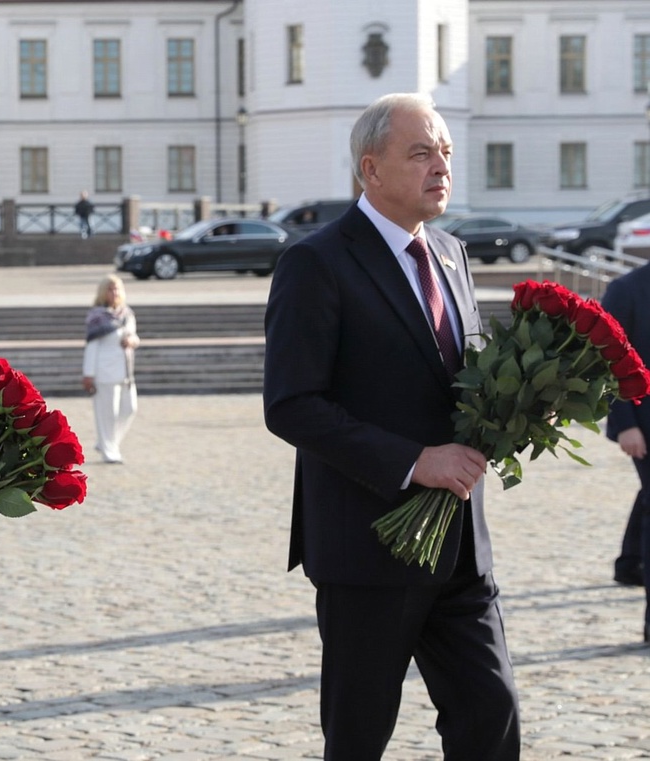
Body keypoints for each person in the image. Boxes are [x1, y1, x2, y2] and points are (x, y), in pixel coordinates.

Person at [263, 93, 520, 759]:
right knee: (358, 737)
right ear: (370, 169)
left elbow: (462, 380)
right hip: (367, 549)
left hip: (460, 546)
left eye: (445, 152)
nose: (441, 165)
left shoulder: (453, 254)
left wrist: (516, 404)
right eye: (421, 152)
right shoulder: (316, 261)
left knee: (491, 717)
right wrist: (414, 460)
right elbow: (291, 403)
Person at [602, 264, 650, 634]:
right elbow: (606, 362)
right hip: (644, 425)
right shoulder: (627, 289)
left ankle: (630, 562)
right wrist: (626, 424)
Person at [82, 274, 139, 464]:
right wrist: (88, 374)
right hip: (103, 372)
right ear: (103, 292)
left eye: (117, 289)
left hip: (126, 371)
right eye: (110, 289)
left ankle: (107, 441)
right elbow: (92, 347)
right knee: (107, 414)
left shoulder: (127, 314)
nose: (114, 293)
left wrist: (131, 341)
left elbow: (135, 337)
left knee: (130, 408)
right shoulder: (97, 317)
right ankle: (109, 451)